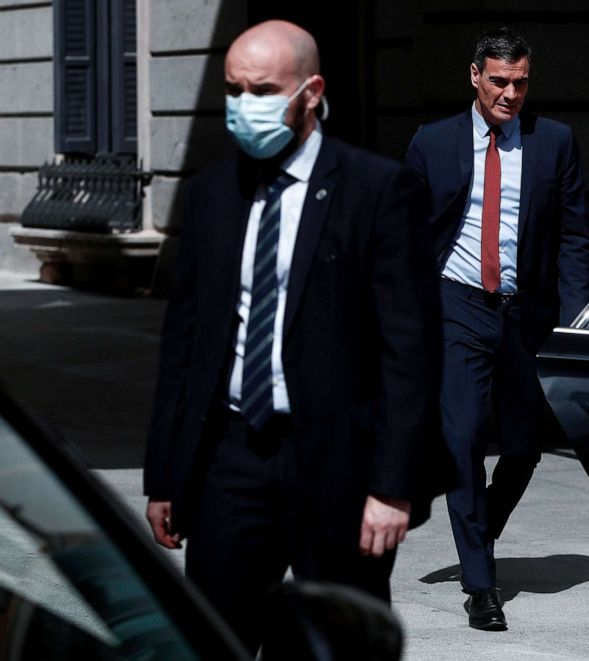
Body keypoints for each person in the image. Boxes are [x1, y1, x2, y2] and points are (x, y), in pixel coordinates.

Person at [143, 20, 449, 654]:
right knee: (211, 638)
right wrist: (166, 475)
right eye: (232, 90)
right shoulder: (208, 196)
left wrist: (393, 487)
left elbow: (409, 351)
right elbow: (186, 340)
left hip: (337, 463)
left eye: (261, 90)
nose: (242, 105)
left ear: (311, 92)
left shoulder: (378, 190)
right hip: (231, 458)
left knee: (338, 645)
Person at [405, 27, 589, 631]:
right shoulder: (432, 142)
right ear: (475, 76)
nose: (511, 93)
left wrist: (574, 324)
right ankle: (481, 584)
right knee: (461, 439)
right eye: (499, 81)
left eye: (521, 82)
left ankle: (476, 537)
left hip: (526, 314)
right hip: (456, 305)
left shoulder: (554, 142)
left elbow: (571, 237)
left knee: (523, 445)